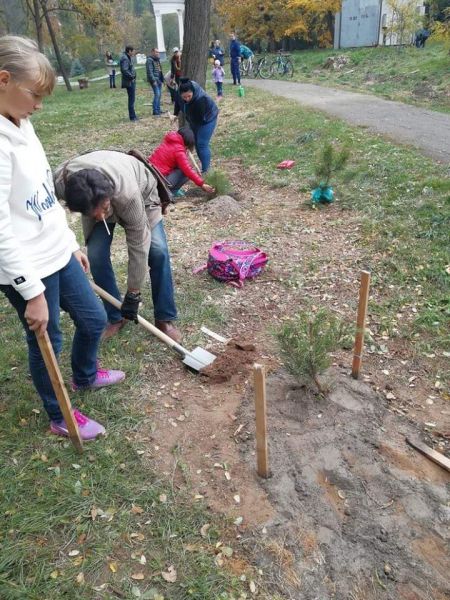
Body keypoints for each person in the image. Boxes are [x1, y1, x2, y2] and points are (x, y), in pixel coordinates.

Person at [0, 35, 125, 441]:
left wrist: (71, 243)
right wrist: (31, 292)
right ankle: (59, 415)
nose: (39, 104)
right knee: (47, 340)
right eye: (34, 94)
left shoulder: (24, 125)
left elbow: (44, 195)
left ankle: (84, 377)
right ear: (3, 80)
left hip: (56, 252)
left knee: (92, 319)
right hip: (26, 266)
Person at [53, 151, 181, 344]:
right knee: (95, 255)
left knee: (158, 251)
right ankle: (115, 316)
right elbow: (48, 216)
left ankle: (164, 317)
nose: (103, 218)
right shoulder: (61, 183)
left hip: (141, 194)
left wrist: (133, 293)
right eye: (95, 215)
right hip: (94, 199)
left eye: (105, 211)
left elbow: (138, 243)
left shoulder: (127, 193)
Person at [148, 127, 215, 198]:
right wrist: (202, 184)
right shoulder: (178, 150)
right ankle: (169, 194)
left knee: (181, 168)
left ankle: (167, 193)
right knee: (185, 172)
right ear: (187, 143)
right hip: (160, 182)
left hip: (151, 177)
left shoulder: (169, 141)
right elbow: (187, 169)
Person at [174, 79, 219, 173]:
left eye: (189, 96)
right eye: (184, 97)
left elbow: (198, 119)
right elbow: (178, 102)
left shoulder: (200, 99)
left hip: (207, 119)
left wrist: (191, 129)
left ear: (193, 92)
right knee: (197, 143)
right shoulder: (179, 93)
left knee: (201, 144)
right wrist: (175, 114)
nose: (187, 99)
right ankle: (204, 166)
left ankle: (206, 171)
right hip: (194, 118)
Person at [120, 45, 138, 121]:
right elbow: (124, 70)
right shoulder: (125, 58)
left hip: (130, 81)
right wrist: (132, 77)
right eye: (133, 51)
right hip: (129, 82)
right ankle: (132, 117)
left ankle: (133, 115)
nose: (134, 52)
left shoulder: (127, 57)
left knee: (132, 99)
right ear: (129, 51)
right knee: (131, 99)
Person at [146, 48, 164, 116]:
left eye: (158, 52)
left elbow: (160, 70)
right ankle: (155, 111)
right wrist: (153, 81)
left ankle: (158, 110)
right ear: (152, 52)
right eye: (156, 52)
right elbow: (149, 71)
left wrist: (162, 79)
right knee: (157, 95)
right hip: (154, 80)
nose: (158, 53)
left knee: (159, 95)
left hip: (159, 79)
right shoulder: (149, 60)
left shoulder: (157, 59)